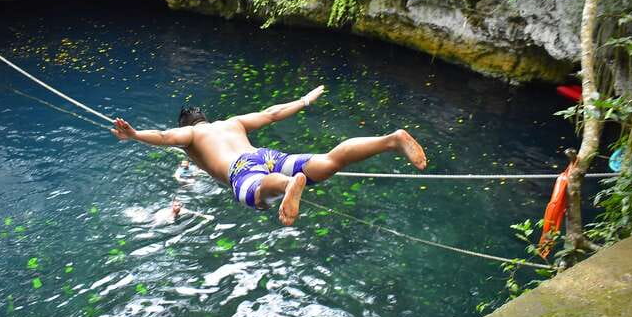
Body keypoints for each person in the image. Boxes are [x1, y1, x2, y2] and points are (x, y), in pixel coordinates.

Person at [112, 85, 426, 226]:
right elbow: (271, 113)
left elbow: (167, 137)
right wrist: (303, 101)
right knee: (331, 161)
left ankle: (288, 186)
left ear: (187, 124)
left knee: (260, 195)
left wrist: (135, 135)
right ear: (206, 115)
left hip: (241, 170)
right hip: (266, 155)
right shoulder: (232, 123)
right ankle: (391, 140)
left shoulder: (192, 135)